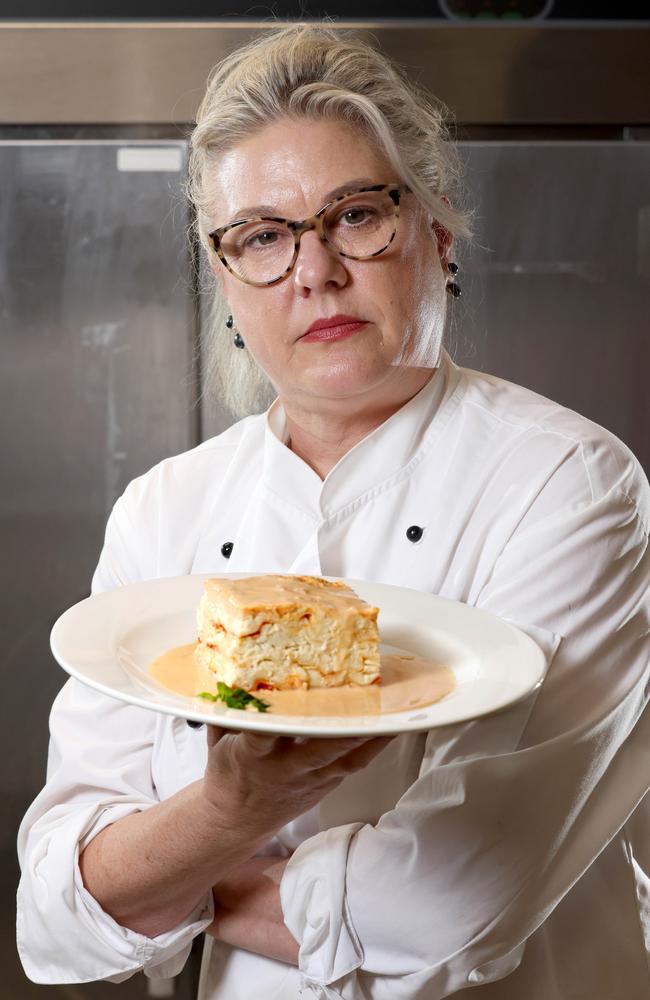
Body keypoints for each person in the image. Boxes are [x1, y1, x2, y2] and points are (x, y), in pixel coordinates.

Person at [17, 22, 650, 1000]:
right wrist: (229, 810)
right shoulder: (164, 509)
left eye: (355, 214)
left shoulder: (569, 483)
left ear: (436, 231)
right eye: (262, 236)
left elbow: (454, 905)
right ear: (225, 279)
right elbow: (54, 926)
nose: (312, 270)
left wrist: (177, 882)